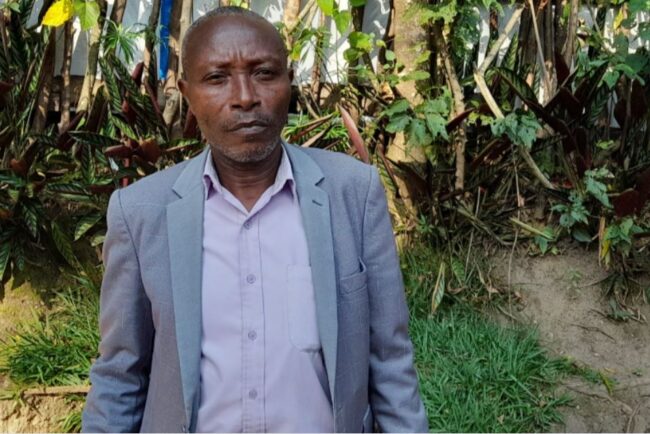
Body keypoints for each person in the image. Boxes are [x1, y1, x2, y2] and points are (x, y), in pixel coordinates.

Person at [82, 6, 427, 433]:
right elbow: (120, 374)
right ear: (187, 93)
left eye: (264, 73)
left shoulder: (352, 194)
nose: (245, 96)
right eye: (217, 78)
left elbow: (390, 358)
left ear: (289, 81)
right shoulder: (140, 213)